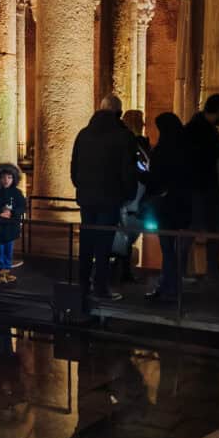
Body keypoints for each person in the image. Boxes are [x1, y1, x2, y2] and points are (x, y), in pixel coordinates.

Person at [70, 94, 139, 305]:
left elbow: (74, 167)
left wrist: (81, 186)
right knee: (103, 243)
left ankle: (82, 284)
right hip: (110, 198)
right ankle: (100, 286)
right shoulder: (123, 136)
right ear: (118, 112)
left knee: (87, 241)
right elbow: (128, 170)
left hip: (87, 198)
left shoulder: (83, 134)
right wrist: (129, 194)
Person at [143, 112, 192, 302]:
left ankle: (168, 287)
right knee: (177, 249)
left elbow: (155, 179)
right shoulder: (187, 148)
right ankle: (171, 285)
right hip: (183, 206)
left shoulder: (162, 150)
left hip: (167, 208)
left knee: (167, 248)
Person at [184, 94, 219, 279]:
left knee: (192, 230)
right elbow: (212, 153)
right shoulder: (205, 131)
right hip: (204, 187)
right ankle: (211, 270)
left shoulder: (192, 127)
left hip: (197, 187)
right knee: (208, 229)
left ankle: (187, 270)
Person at [117, 109, 151, 283]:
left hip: (129, 194)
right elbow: (143, 168)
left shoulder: (127, 142)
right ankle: (123, 271)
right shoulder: (134, 144)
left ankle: (121, 269)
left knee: (124, 234)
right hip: (134, 194)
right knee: (127, 234)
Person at [0, 164, 26, 284]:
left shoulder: (17, 193)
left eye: (9, 177)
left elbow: (22, 206)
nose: (6, 180)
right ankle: (0, 271)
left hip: (11, 226)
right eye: (3, 177)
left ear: (14, 179)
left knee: (9, 249)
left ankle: (7, 271)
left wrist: (12, 213)